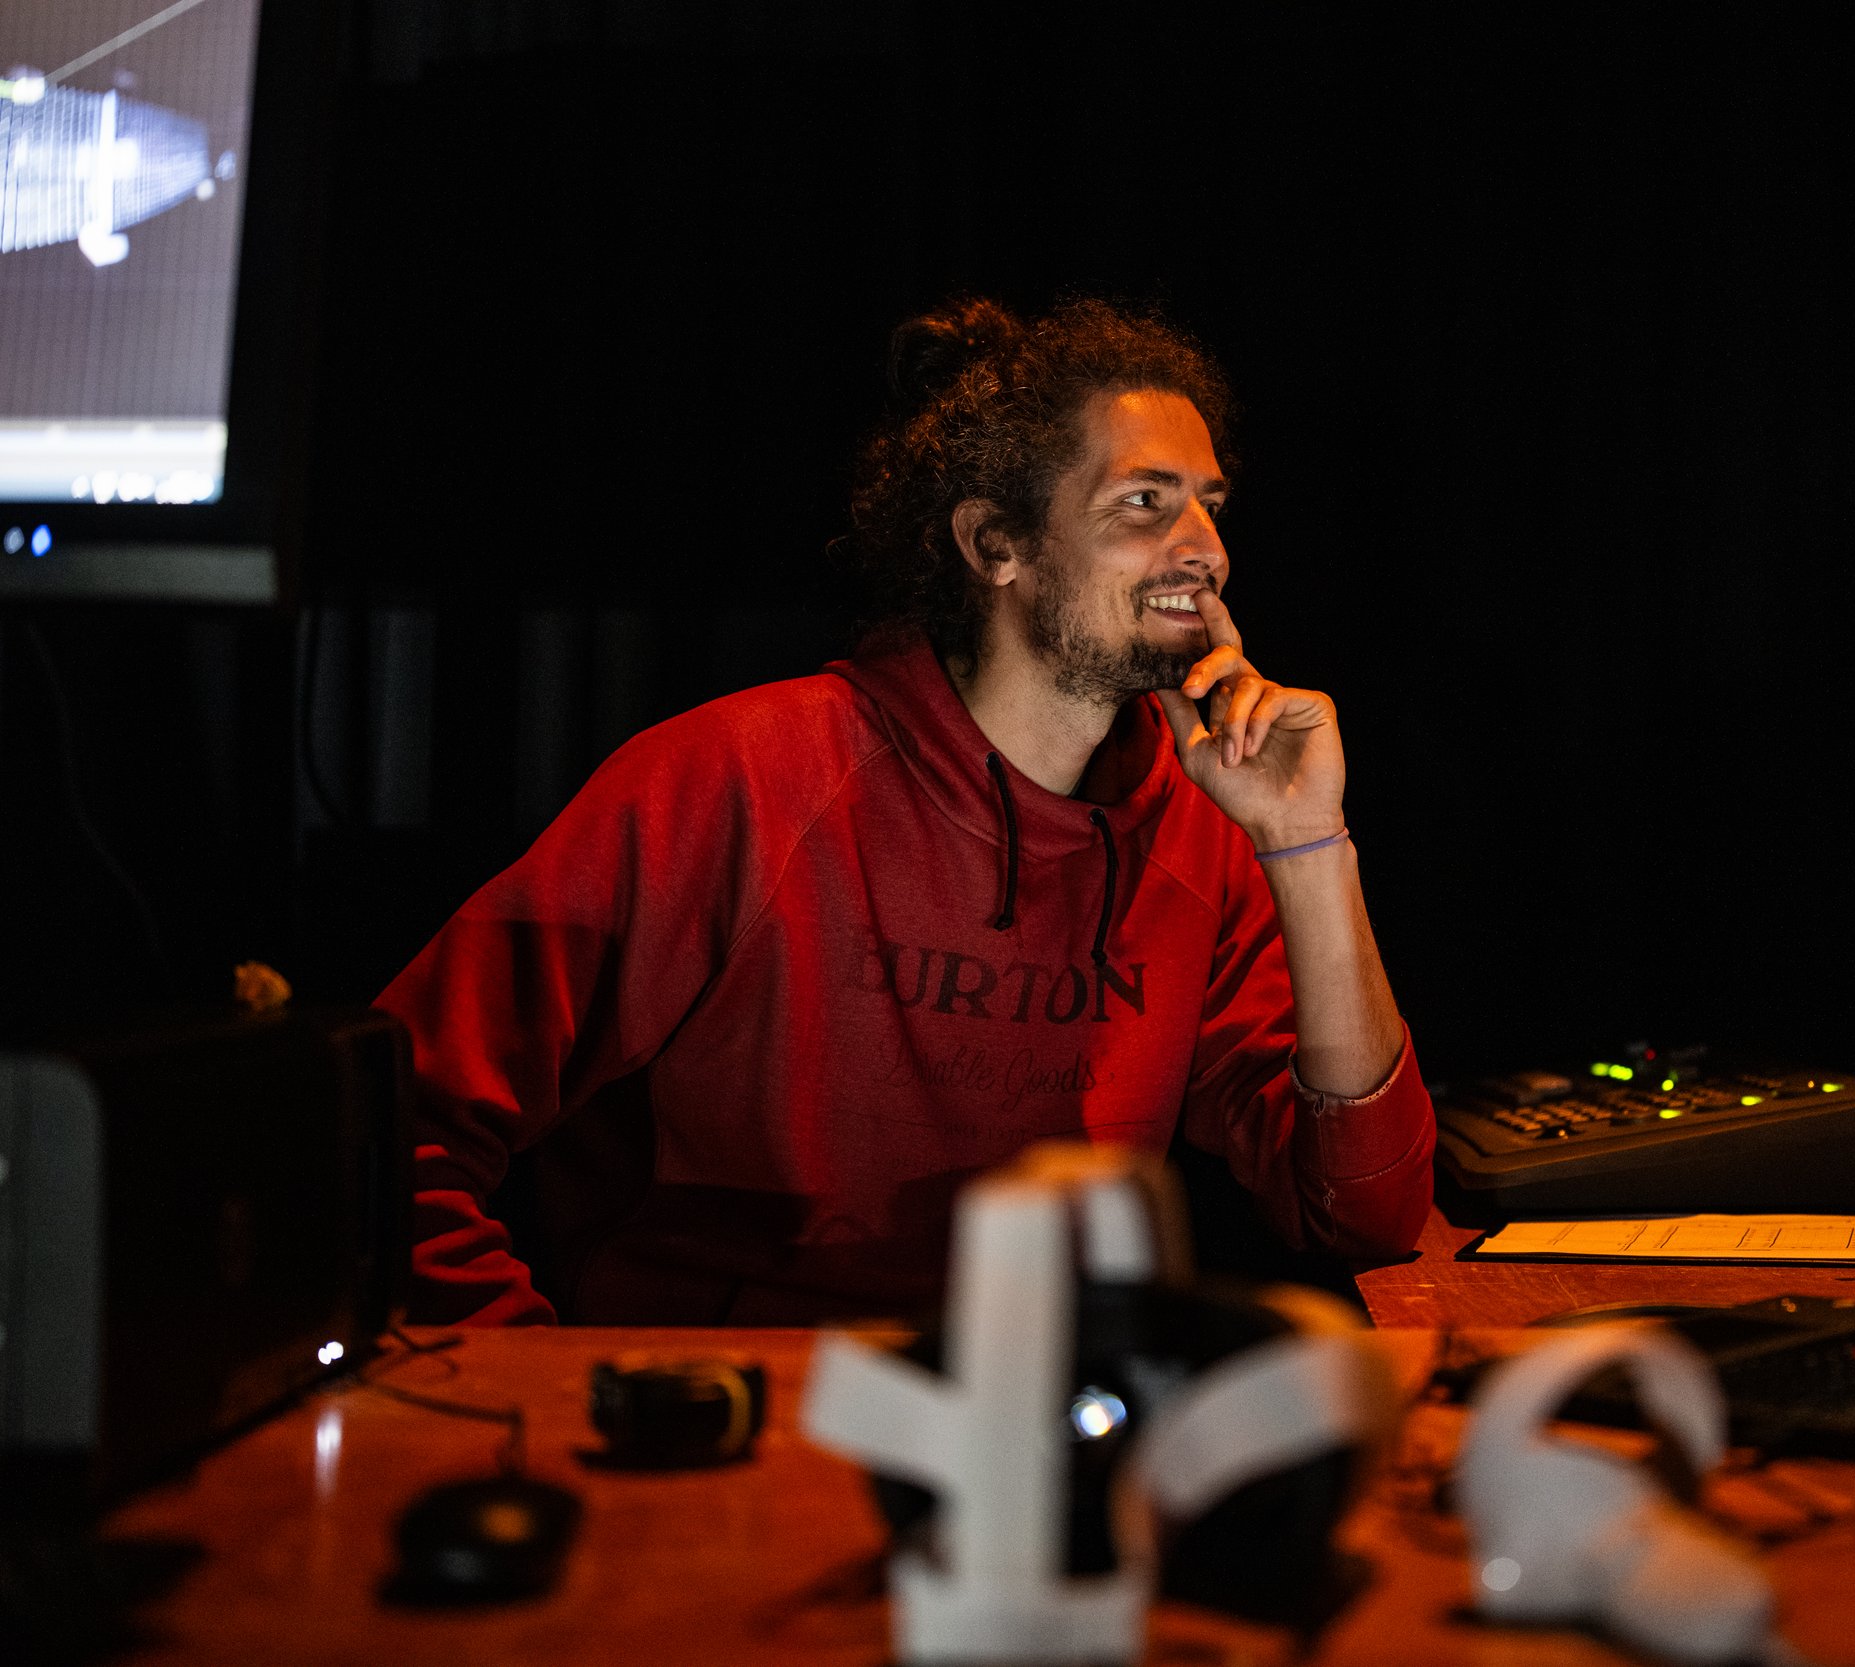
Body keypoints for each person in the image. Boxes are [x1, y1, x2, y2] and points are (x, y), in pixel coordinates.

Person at [378, 297, 1437, 1323]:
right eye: (1143, 502)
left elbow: (1363, 1211)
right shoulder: (739, 777)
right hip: (752, 1413)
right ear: (995, 545)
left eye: (1210, 503)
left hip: (1036, 1419)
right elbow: (381, 1126)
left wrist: (1307, 839)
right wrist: (530, 1382)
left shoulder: (1199, 826)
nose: (1206, 548)